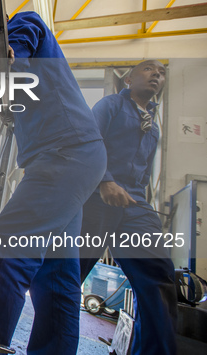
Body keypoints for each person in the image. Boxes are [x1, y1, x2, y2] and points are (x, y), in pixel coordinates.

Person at [0, 3, 107, 354]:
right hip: (74, 158)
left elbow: (19, 50)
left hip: (67, 155)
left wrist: (7, 61)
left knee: (5, 241)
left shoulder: (23, 25)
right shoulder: (9, 67)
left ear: (0, 20)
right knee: (56, 277)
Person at [79, 60, 177, 355]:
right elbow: (89, 141)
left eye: (161, 73)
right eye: (149, 70)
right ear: (129, 80)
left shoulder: (154, 128)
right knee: (71, 272)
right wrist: (105, 182)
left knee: (158, 274)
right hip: (97, 198)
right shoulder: (110, 105)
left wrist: (141, 203)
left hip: (134, 204)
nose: (157, 75)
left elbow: (143, 174)